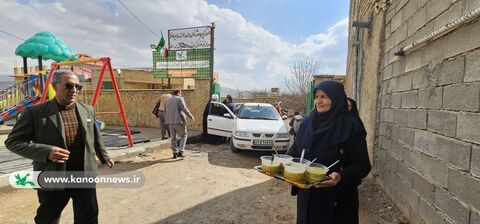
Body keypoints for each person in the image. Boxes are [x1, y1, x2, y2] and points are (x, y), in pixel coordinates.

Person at [5, 70, 114, 224]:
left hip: (83, 174)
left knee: (88, 217)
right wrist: (46, 152)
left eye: (78, 86)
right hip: (53, 175)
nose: (74, 90)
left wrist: (104, 156)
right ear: (55, 86)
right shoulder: (34, 112)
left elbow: (95, 136)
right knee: (47, 218)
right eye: (69, 86)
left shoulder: (88, 110)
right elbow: (13, 142)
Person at [287, 80, 371, 224]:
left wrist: (341, 177)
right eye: (316, 97)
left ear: (336, 98)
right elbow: (296, 149)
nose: (318, 101)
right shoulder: (308, 122)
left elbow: (362, 165)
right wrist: (285, 162)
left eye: (324, 97)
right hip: (307, 196)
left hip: (337, 200)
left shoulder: (351, 127)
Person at [164, 89, 194, 158]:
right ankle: (181, 151)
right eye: (180, 93)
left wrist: (167, 120)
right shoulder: (180, 99)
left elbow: (165, 112)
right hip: (179, 121)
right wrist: (191, 116)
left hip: (170, 122)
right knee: (183, 136)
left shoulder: (167, 101)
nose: (181, 94)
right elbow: (184, 109)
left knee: (173, 138)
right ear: (178, 93)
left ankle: (175, 153)